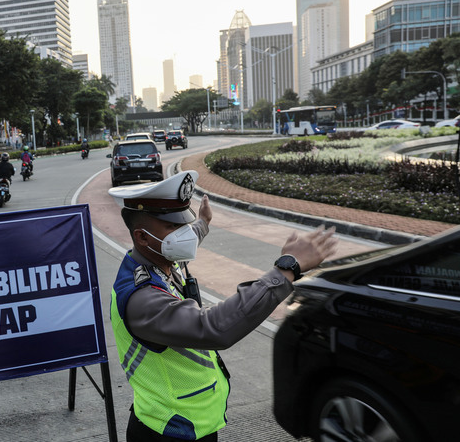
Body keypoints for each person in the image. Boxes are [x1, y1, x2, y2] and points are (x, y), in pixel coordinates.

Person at [108, 171, 338, 442]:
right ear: (142, 238)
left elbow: (187, 235)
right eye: (173, 227)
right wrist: (287, 269)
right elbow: (213, 328)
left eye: (185, 222)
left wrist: (203, 222)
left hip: (194, 423)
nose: (184, 233)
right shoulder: (142, 298)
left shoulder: (158, 257)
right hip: (167, 430)